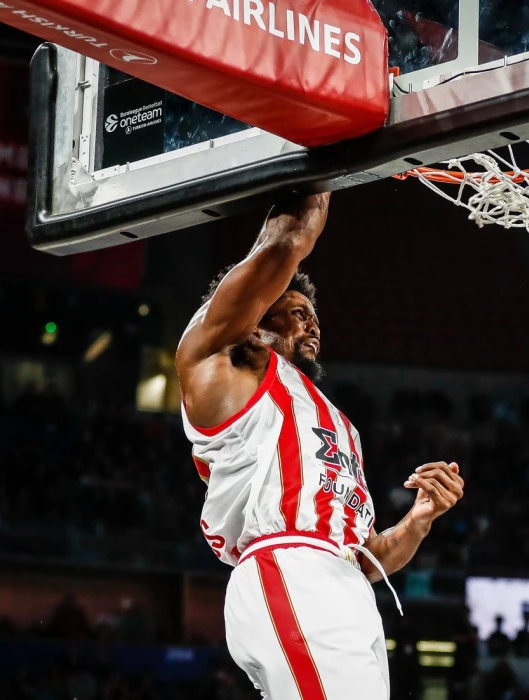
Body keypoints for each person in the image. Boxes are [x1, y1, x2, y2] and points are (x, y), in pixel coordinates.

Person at [176, 193, 466, 700]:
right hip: (289, 569)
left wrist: (418, 520)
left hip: (344, 585)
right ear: (257, 318)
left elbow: (367, 556)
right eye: (296, 312)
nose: (313, 324)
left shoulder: (339, 424)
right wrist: (324, 170)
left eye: (314, 315)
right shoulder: (224, 368)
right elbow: (284, 243)